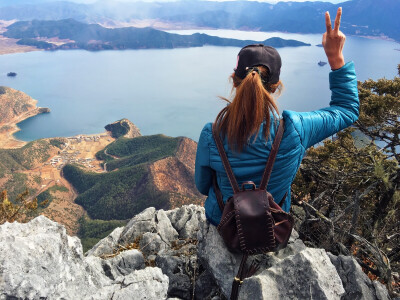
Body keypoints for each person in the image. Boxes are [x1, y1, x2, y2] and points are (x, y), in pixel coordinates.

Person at [194, 7, 359, 226]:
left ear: (234, 80)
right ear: (276, 86)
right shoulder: (296, 129)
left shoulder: (212, 134)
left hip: (224, 225)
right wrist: (335, 57)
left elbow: (203, 185)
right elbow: (347, 109)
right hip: (273, 227)